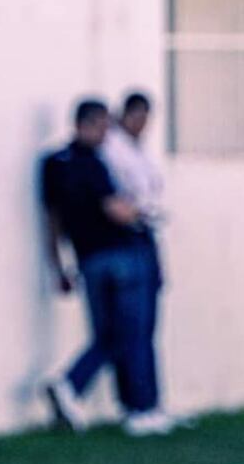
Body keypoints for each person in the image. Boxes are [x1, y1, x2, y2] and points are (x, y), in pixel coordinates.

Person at [40, 99, 168, 437]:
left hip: (87, 259)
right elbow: (116, 210)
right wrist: (145, 212)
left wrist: (58, 266)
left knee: (109, 336)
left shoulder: (53, 163)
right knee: (133, 334)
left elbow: (52, 221)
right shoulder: (94, 163)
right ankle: (139, 407)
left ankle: (74, 386)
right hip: (121, 254)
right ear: (90, 124)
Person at [99, 91, 177, 435]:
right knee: (132, 327)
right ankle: (137, 404)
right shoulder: (112, 148)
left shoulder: (137, 149)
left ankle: (151, 402)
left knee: (146, 327)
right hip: (128, 238)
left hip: (146, 235)